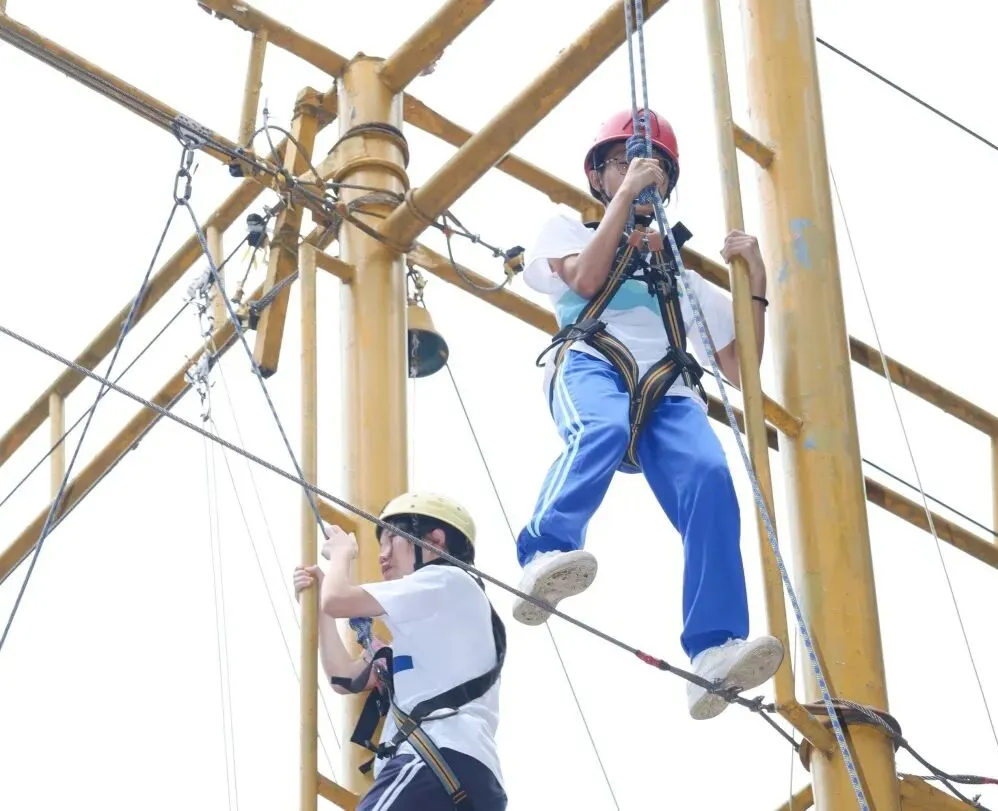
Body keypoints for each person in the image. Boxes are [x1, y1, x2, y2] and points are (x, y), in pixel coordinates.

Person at [513, 108, 783, 721]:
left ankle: (713, 647)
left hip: (669, 387)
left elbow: (743, 369)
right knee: (600, 429)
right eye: (622, 162)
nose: (638, 171)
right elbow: (584, 278)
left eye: (653, 166)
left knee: (712, 482)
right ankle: (543, 550)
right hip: (594, 361)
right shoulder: (564, 230)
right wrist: (626, 202)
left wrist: (756, 282)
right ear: (599, 176)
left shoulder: (679, 277)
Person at [293, 492, 507, 810]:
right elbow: (344, 676)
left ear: (434, 541)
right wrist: (322, 603)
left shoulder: (446, 579)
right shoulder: (433, 637)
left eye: (393, 539)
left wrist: (341, 555)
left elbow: (338, 600)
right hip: (466, 777)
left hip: (434, 762)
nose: (383, 555)